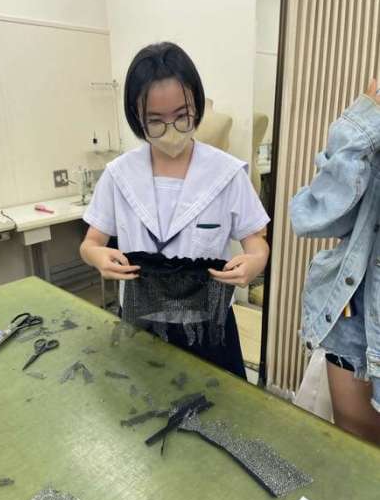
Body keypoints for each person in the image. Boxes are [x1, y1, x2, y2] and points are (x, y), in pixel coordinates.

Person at [80, 42, 270, 379]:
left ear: (197, 105)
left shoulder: (226, 174)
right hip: (141, 327)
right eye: (155, 121)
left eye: (182, 116)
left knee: (220, 406)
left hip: (210, 330)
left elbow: (257, 242)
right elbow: (91, 242)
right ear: (137, 117)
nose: (171, 131)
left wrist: (255, 261)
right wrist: (96, 256)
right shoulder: (119, 175)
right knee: (141, 403)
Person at [290, 79, 380, 445]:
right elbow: (316, 218)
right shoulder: (373, 124)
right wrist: (361, 125)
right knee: (353, 451)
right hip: (356, 325)